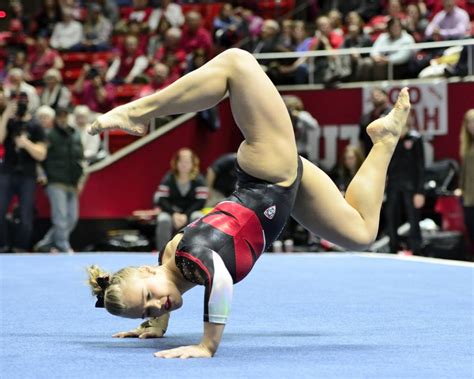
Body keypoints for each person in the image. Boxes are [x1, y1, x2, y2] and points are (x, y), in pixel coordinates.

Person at [86, 48, 411, 359]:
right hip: (283, 187)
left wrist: (207, 345)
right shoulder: (170, 263)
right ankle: (385, 139)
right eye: (146, 310)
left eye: (148, 298)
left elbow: (222, 282)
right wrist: (154, 325)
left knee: (236, 64)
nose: (157, 305)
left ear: (147, 271)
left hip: (269, 172)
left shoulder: (190, 257)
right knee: (361, 232)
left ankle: (134, 111)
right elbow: (165, 284)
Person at [0, 92, 47, 252]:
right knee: (0, 209)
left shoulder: (36, 125)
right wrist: (6, 115)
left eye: (23, 102)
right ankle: (3, 245)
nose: (21, 104)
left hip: (28, 175)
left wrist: (26, 144)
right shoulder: (9, 122)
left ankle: (20, 247)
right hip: (7, 172)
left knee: (26, 214)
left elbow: (41, 154)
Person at [35, 107, 84, 253]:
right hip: (55, 181)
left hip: (72, 182)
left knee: (72, 218)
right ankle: (63, 246)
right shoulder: (49, 135)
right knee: (60, 217)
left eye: (65, 116)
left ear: (68, 116)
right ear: (56, 118)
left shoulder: (75, 134)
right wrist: (43, 175)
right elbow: (41, 159)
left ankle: (46, 243)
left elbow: (79, 159)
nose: (62, 119)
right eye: (60, 116)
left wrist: (80, 180)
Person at [153, 148, 208, 253]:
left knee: (198, 217)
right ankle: (163, 252)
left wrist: (186, 215)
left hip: (191, 212)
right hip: (171, 212)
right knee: (163, 219)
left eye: (187, 162)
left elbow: (201, 202)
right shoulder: (168, 178)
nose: (184, 164)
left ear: (193, 163)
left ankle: (194, 251)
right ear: (176, 163)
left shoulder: (199, 179)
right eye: (181, 161)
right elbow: (161, 199)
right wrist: (174, 214)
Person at [384, 122, 425, 254]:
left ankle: (416, 248)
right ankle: (393, 246)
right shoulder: (390, 138)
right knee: (391, 214)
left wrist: (420, 191)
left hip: (410, 184)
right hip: (393, 182)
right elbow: (385, 162)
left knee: (413, 216)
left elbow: (421, 166)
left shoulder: (415, 138)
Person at [458, 109, 474, 251]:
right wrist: (461, 188)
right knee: (470, 226)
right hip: (468, 195)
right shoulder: (467, 145)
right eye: (469, 122)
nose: (472, 125)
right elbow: (464, 170)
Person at [359, 87, 392, 156]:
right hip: (370, 155)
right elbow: (361, 140)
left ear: (386, 96)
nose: (375, 97)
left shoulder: (392, 114)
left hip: (389, 156)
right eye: (373, 95)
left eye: (378, 94)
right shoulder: (366, 117)